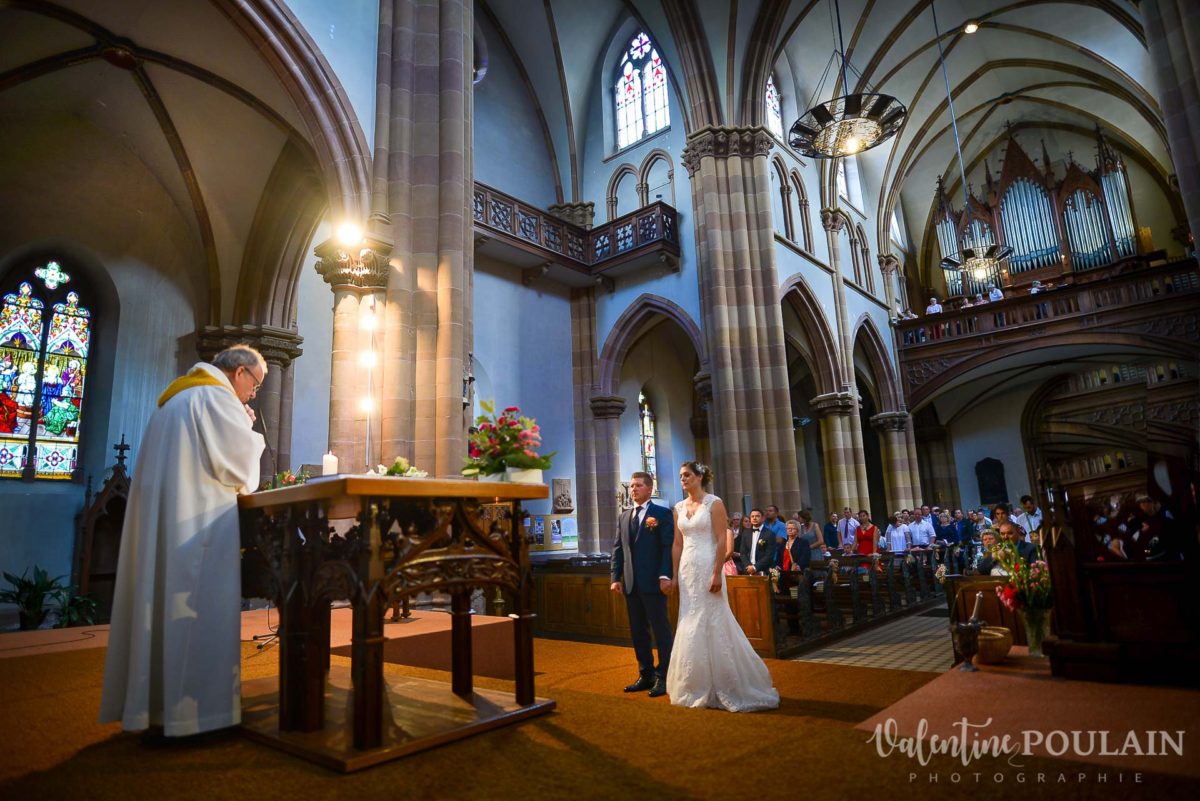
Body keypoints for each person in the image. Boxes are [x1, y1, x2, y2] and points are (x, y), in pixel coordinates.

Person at [100, 344, 267, 737]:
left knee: (160, 613)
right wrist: (248, 429)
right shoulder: (217, 399)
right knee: (199, 613)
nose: (253, 394)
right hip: (200, 530)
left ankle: (156, 710)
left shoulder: (175, 398)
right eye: (255, 385)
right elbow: (242, 472)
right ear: (240, 372)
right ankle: (198, 718)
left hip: (169, 528)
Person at [666, 461, 779, 711]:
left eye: (687, 475)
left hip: (708, 565)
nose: (682, 479)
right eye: (681, 476)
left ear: (699, 477)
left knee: (714, 619)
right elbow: (677, 543)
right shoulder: (678, 508)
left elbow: (720, 538)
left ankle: (728, 684)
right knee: (690, 619)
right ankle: (694, 683)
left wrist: (717, 572)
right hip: (687, 570)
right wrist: (673, 574)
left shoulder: (714, 503)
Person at [610, 471, 676, 698]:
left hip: (653, 581)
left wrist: (665, 574)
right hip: (630, 582)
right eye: (631, 486)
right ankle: (645, 673)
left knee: (661, 631)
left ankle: (664, 676)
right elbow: (618, 549)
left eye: (638, 485)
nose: (633, 489)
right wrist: (615, 577)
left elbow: (668, 547)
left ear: (649, 489)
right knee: (638, 631)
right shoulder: (624, 516)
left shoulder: (661, 513)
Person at [739, 508, 777, 575]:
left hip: (763, 570)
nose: (754, 518)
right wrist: (749, 566)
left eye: (757, 516)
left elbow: (769, 555)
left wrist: (755, 567)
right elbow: (743, 553)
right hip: (748, 570)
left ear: (763, 518)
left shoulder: (770, 534)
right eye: (752, 516)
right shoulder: (746, 533)